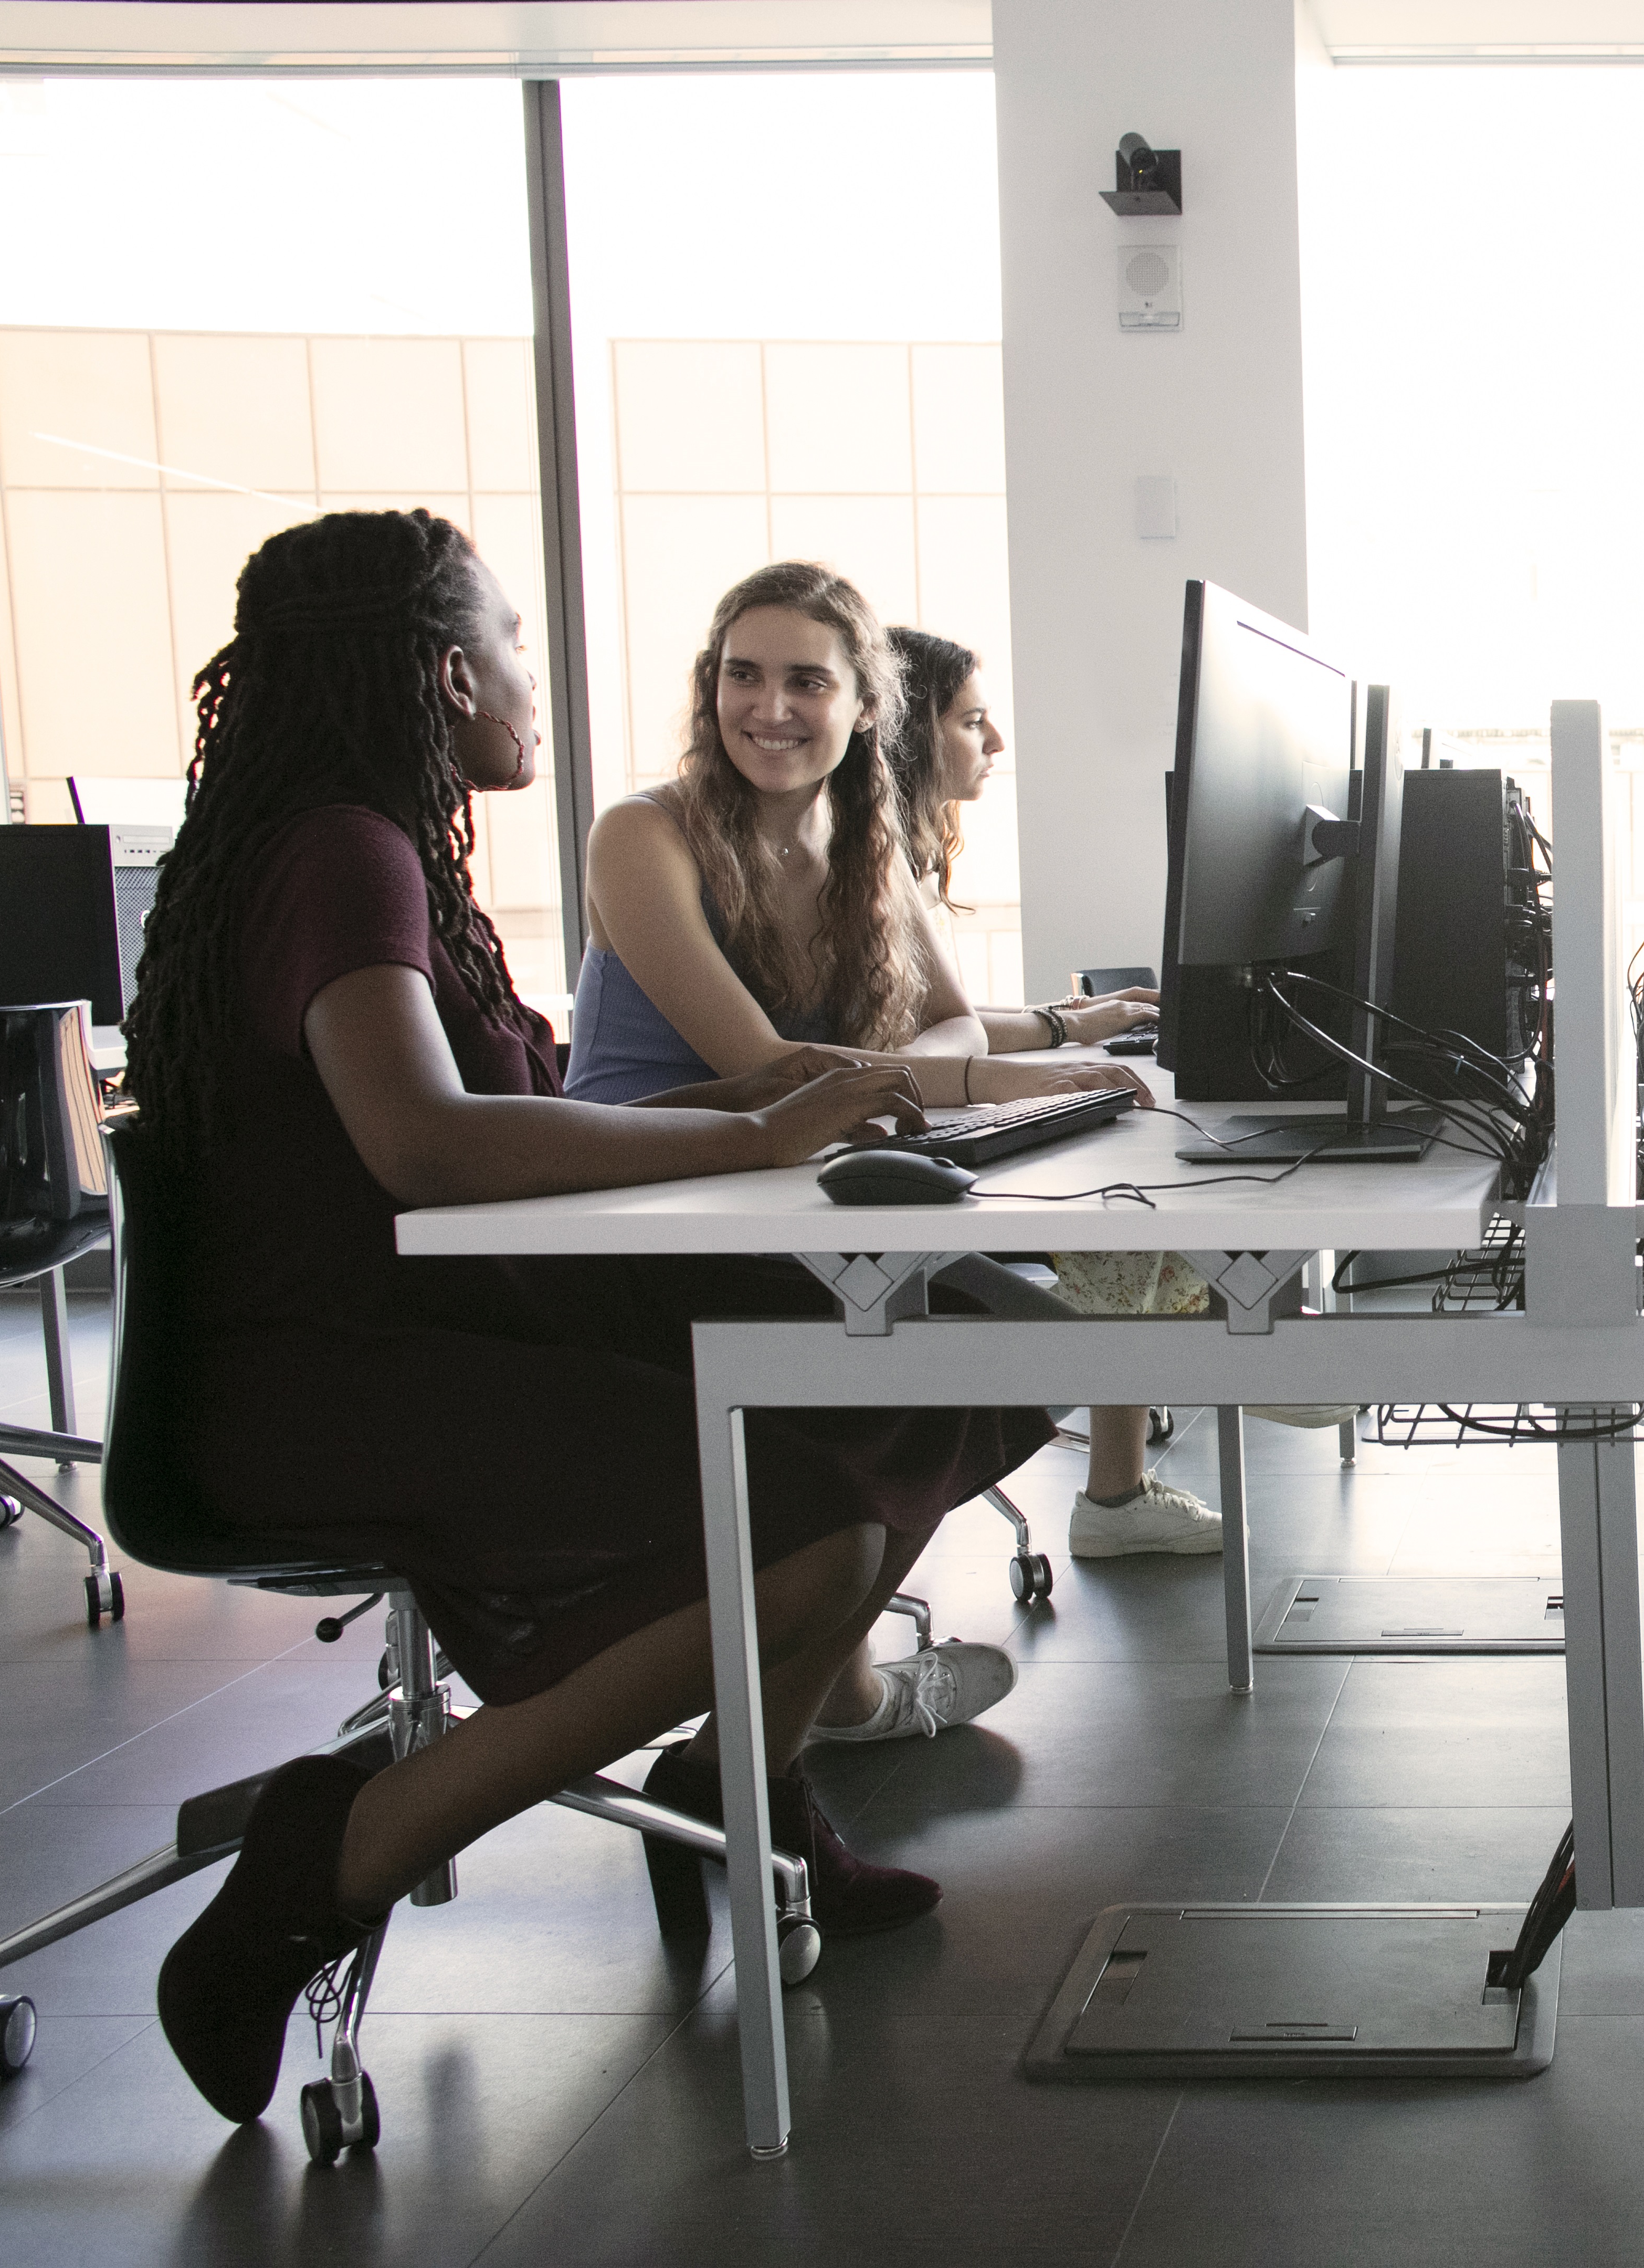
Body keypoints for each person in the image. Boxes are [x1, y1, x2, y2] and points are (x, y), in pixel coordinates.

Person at [131, 510, 1058, 2128]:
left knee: (946, 1361)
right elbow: (424, 1145)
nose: (528, 677)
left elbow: (541, 1113)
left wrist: (777, 1117)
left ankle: (741, 1789)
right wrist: (752, 1131)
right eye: (508, 641)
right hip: (346, 1379)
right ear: (444, 674)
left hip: (455, 1322)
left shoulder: (358, 847)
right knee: (810, 1532)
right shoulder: (345, 855)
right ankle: (334, 1853)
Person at [567, 564, 1142, 1736]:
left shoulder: (864, 842)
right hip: (640, 1226)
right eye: (743, 676)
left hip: (796, 1209)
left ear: (866, 705)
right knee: (973, 1355)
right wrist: (986, 1077)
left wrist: (972, 1063)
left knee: (1035, 1335)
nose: (769, 708)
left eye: (806, 682)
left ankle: (816, 1692)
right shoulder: (643, 835)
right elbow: (770, 1070)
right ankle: (829, 1695)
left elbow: (954, 1021)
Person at [884, 622, 1216, 1560]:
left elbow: (944, 1021)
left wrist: (1072, 1023)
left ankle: (1134, 1467)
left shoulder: (903, 853)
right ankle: (1234, 1341)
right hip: (883, 1139)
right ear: (907, 733)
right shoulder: (863, 857)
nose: (994, 742)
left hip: (912, 1110)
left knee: (1121, 1172)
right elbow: (909, 1040)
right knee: (1110, 1189)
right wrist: (1046, 1050)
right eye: (971, 721)